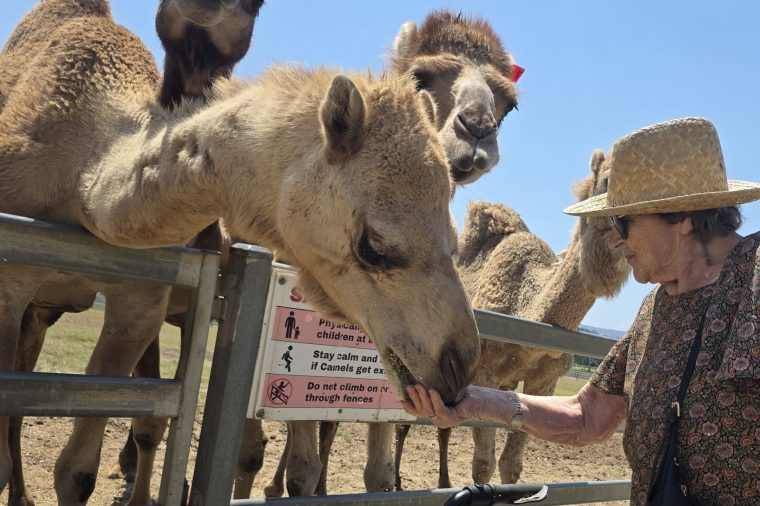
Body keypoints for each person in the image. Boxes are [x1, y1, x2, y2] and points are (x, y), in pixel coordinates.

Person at [402, 117, 760, 505]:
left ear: (683, 218)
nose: (613, 237)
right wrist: (478, 402)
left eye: (622, 220)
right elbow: (588, 416)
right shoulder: (656, 310)